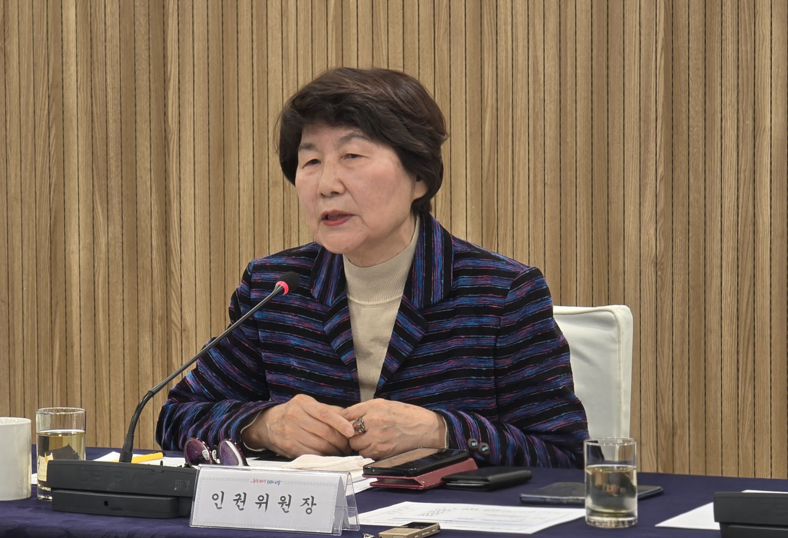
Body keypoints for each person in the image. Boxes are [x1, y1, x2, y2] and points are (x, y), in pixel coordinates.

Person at [156, 67, 589, 467]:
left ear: (419, 177)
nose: (327, 185)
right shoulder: (275, 288)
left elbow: (564, 455)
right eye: (311, 162)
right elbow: (177, 417)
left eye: (352, 156)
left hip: (445, 523)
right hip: (312, 523)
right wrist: (263, 425)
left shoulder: (500, 293)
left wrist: (441, 432)